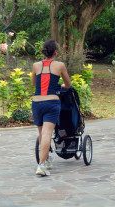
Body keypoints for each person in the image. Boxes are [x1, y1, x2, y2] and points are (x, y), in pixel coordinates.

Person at [32, 40, 71, 176]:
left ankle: (47, 159)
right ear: (55, 52)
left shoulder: (36, 65)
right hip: (51, 102)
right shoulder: (60, 65)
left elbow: (34, 83)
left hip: (36, 102)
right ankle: (41, 166)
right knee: (48, 134)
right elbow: (68, 84)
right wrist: (59, 86)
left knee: (42, 134)